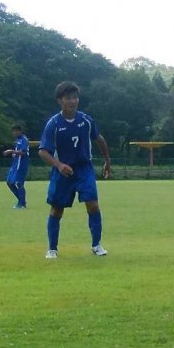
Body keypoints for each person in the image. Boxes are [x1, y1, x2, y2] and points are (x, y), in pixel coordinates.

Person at [38, 81, 112, 259]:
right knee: (56, 209)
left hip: (84, 168)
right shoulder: (53, 124)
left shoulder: (86, 120)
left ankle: (96, 245)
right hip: (62, 171)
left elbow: (99, 139)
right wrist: (59, 165)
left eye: (75, 97)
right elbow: (43, 151)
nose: (72, 101)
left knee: (93, 205)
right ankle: (52, 249)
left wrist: (107, 161)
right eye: (68, 98)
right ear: (60, 100)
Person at [3, 124, 31, 208]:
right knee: (9, 182)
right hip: (15, 164)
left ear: (20, 131)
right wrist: (14, 154)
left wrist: (11, 151)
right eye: (13, 131)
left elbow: (24, 152)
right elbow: (19, 151)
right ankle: (21, 201)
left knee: (19, 183)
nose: (14, 133)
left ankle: (22, 204)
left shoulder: (24, 139)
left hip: (21, 165)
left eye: (15, 131)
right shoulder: (18, 140)